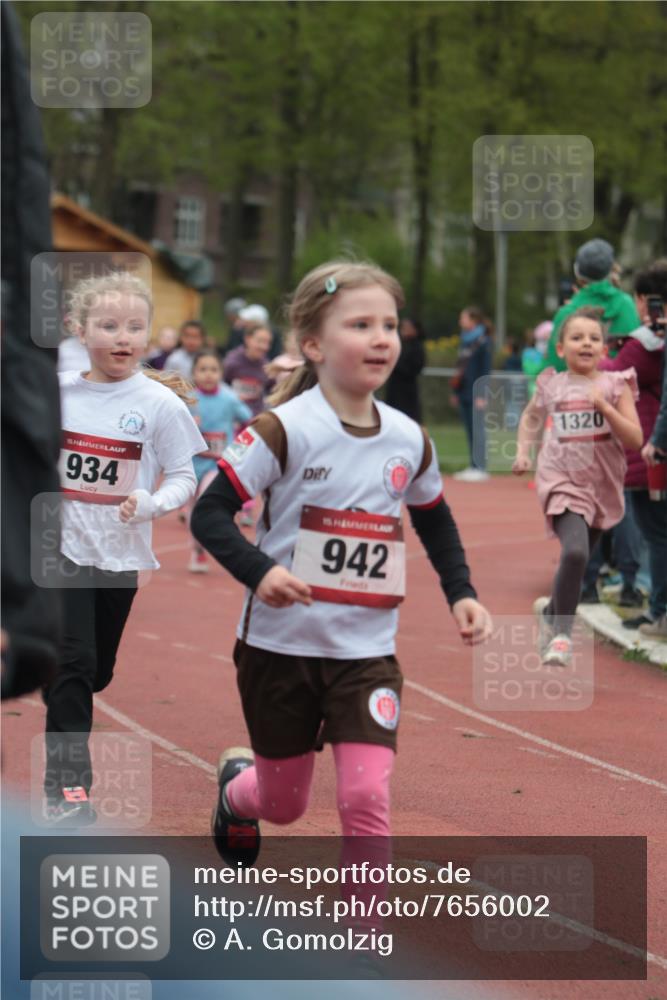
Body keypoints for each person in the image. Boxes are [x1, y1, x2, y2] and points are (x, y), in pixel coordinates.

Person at [191, 260, 492, 870]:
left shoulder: (410, 438)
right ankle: (237, 793)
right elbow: (210, 513)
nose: (381, 338)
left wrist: (462, 591)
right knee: (283, 804)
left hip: (366, 653)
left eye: (390, 324)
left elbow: (433, 517)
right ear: (312, 344)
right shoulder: (284, 429)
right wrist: (261, 572)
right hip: (280, 648)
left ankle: (364, 944)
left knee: (365, 794)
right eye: (360, 324)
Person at [44, 271, 206, 824]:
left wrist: (152, 503)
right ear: (79, 329)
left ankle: (63, 680)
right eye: (108, 325)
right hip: (58, 547)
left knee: (96, 671)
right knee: (75, 660)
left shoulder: (159, 404)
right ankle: (67, 793)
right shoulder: (58, 395)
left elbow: (185, 477)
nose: (123, 337)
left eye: (134, 327)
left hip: (119, 553)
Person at [513, 307, 642, 666]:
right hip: (560, 479)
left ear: (604, 349)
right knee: (575, 554)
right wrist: (524, 452)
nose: (586, 343)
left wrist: (607, 409)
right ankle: (562, 636)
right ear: (560, 347)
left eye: (594, 338)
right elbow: (531, 417)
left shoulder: (617, 385)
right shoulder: (552, 384)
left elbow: (634, 438)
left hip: (601, 486)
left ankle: (552, 610)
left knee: (582, 560)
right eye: (577, 337)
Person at [604, 261, 666, 637]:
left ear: (645, 299)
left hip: (649, 445)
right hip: (651, 441)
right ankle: (656, 606)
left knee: (656, 533)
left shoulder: (644, 342)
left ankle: (660, 609)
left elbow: (611, 373)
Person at [188, 349, 251, 573]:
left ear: (221, 373)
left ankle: (205, 545)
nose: (208, 374)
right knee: (195, 508)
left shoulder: (229, 398)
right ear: (194, 373)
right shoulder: (189, 398)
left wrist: (242, 445)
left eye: (213, 370)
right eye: (202, 369)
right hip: (194, 462)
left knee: (207, 497)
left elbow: (249, 420)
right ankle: (197, 550)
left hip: (219, 463)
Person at [545, 239, 639, 372]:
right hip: (622, 389)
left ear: (577, 272)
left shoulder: (566, 313)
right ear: (613, 269)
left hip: (575, 389)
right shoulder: (627, 304)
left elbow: (555, 365)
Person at [451, 305, 493, 482]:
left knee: (478, 429)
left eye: (464, 317)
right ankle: (473, 465)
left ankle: (480, 467)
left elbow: (485, 370)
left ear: (473, 320)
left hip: (477, 392)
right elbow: (460, 367)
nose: (461, 321)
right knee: (469, 429)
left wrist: (482, 394)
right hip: (464, 390)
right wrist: (455, 390)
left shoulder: (484, 341)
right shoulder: (464, 340)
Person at [223, 322, 274, 418]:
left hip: (256, 419)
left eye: (268, 342)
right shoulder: (232, 361)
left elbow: (273, 391)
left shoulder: (266, 366)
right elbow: (220, 386)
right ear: (247, 339)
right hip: (233, 418)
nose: (264, 347)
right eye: (260, 341)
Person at [385, 316, 426, 422]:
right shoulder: (398, 344)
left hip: (407, 390)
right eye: (402, 327)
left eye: (407, 327)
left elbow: (415, 368)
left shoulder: (417, 347)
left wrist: (395, 364)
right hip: (394, 387)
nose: (404, 329)